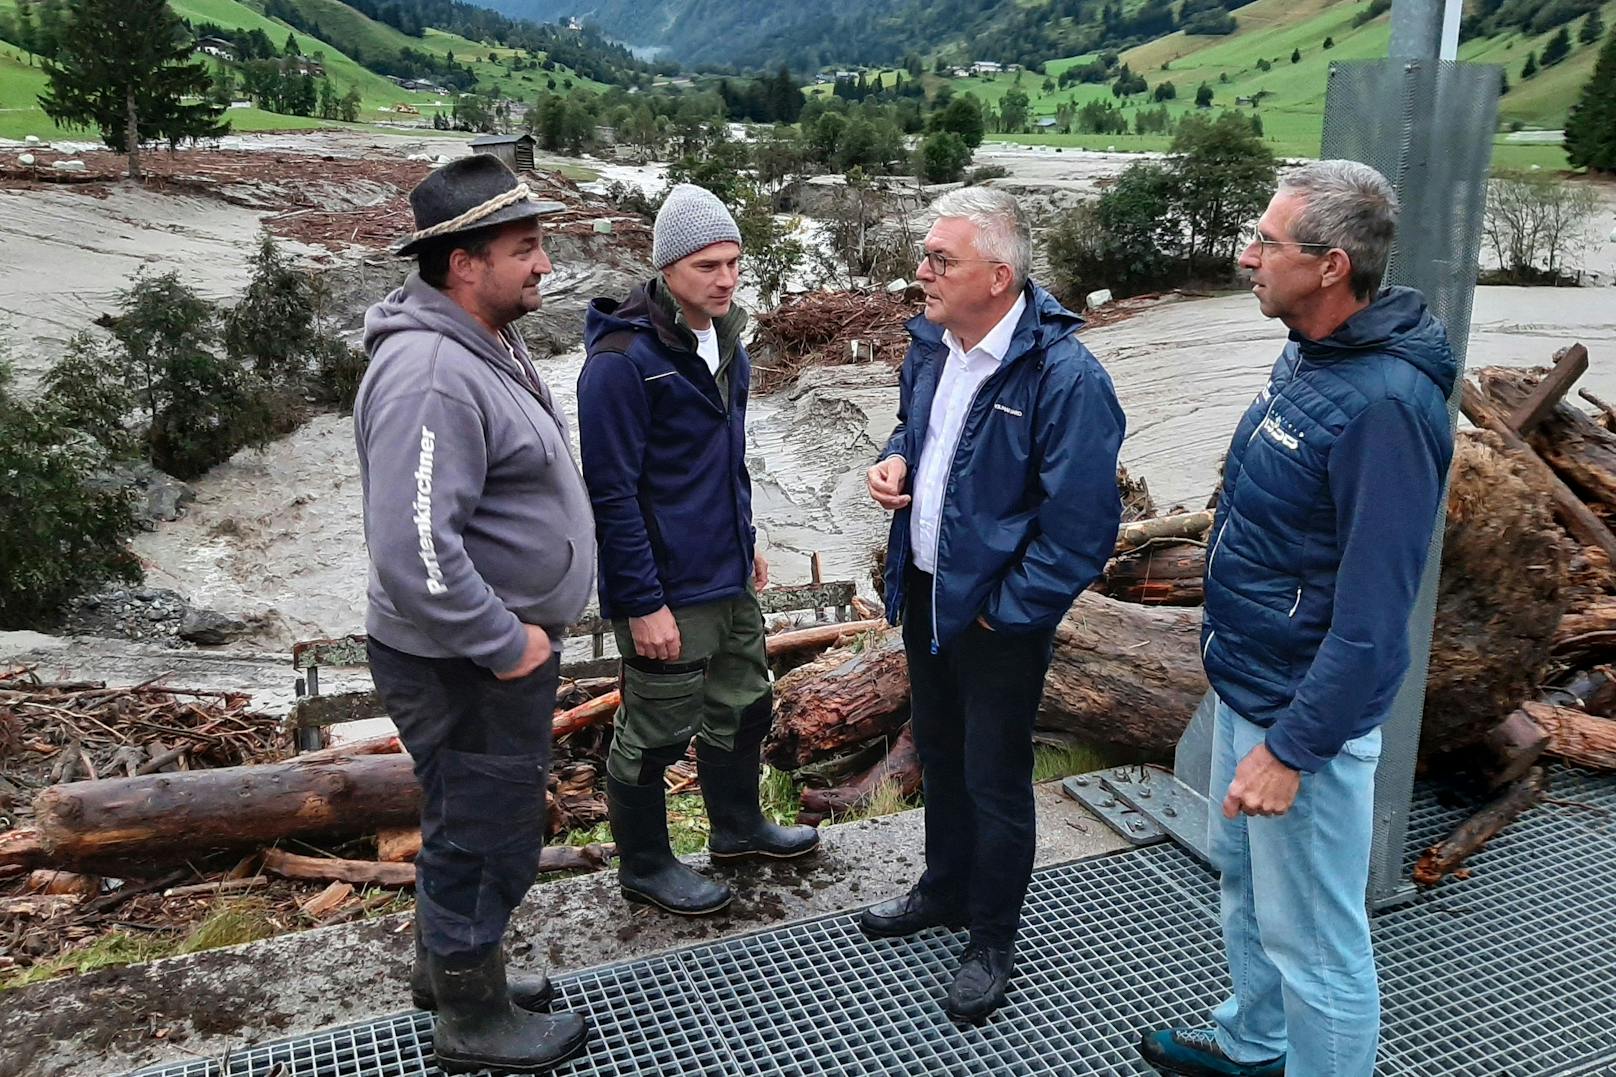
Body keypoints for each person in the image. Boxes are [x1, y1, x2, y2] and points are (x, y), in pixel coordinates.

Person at [1139, 160, 1456, 1077]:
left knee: (1319, 945)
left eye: (1267, 243)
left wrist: (1290, 750)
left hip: (1301, 721)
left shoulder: (1388, 408)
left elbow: (1372, 619)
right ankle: (1253, 1048)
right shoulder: (1316, 354)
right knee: (1249, 896)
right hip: (1253, 684)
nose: (1247, 257)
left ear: (1330, 266)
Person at [862, 187, 1125, 1023]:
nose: (922, 272)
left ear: (1000, 276)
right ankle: (943, 887)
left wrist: (1004, 611)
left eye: (942, 260)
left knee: (996, 776)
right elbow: (916, 431)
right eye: (925, 254)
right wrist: (894, 461)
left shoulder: (1066, 376)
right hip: (929, 590)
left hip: (998, 615)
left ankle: (991, 935)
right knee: (938, 751)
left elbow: (1081, 529)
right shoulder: (934, 347)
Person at [355, 154, 593, 1074]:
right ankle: (473, 1020)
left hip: (482, 651)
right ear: (463, 262)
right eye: (526, 247)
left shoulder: (481, 339)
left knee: (469, 810)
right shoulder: (429, 374)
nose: (544, 264)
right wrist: (507, 644)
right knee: (484, 825)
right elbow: (413, 551)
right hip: (466, 656)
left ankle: (452, 972)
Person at [577, 183, 819, 918]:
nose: (726, 279)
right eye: (708, 266)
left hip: (726, 570)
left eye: (735, 264)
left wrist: (748, 542)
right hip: (666, 586)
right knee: (654, 729)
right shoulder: (620, 363)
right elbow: (611, 496)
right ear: (667, 268)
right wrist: (642, 602)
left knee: (746, 702)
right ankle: (646, 865)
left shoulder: (727, 343)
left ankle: (737, 829)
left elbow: (728, 459)